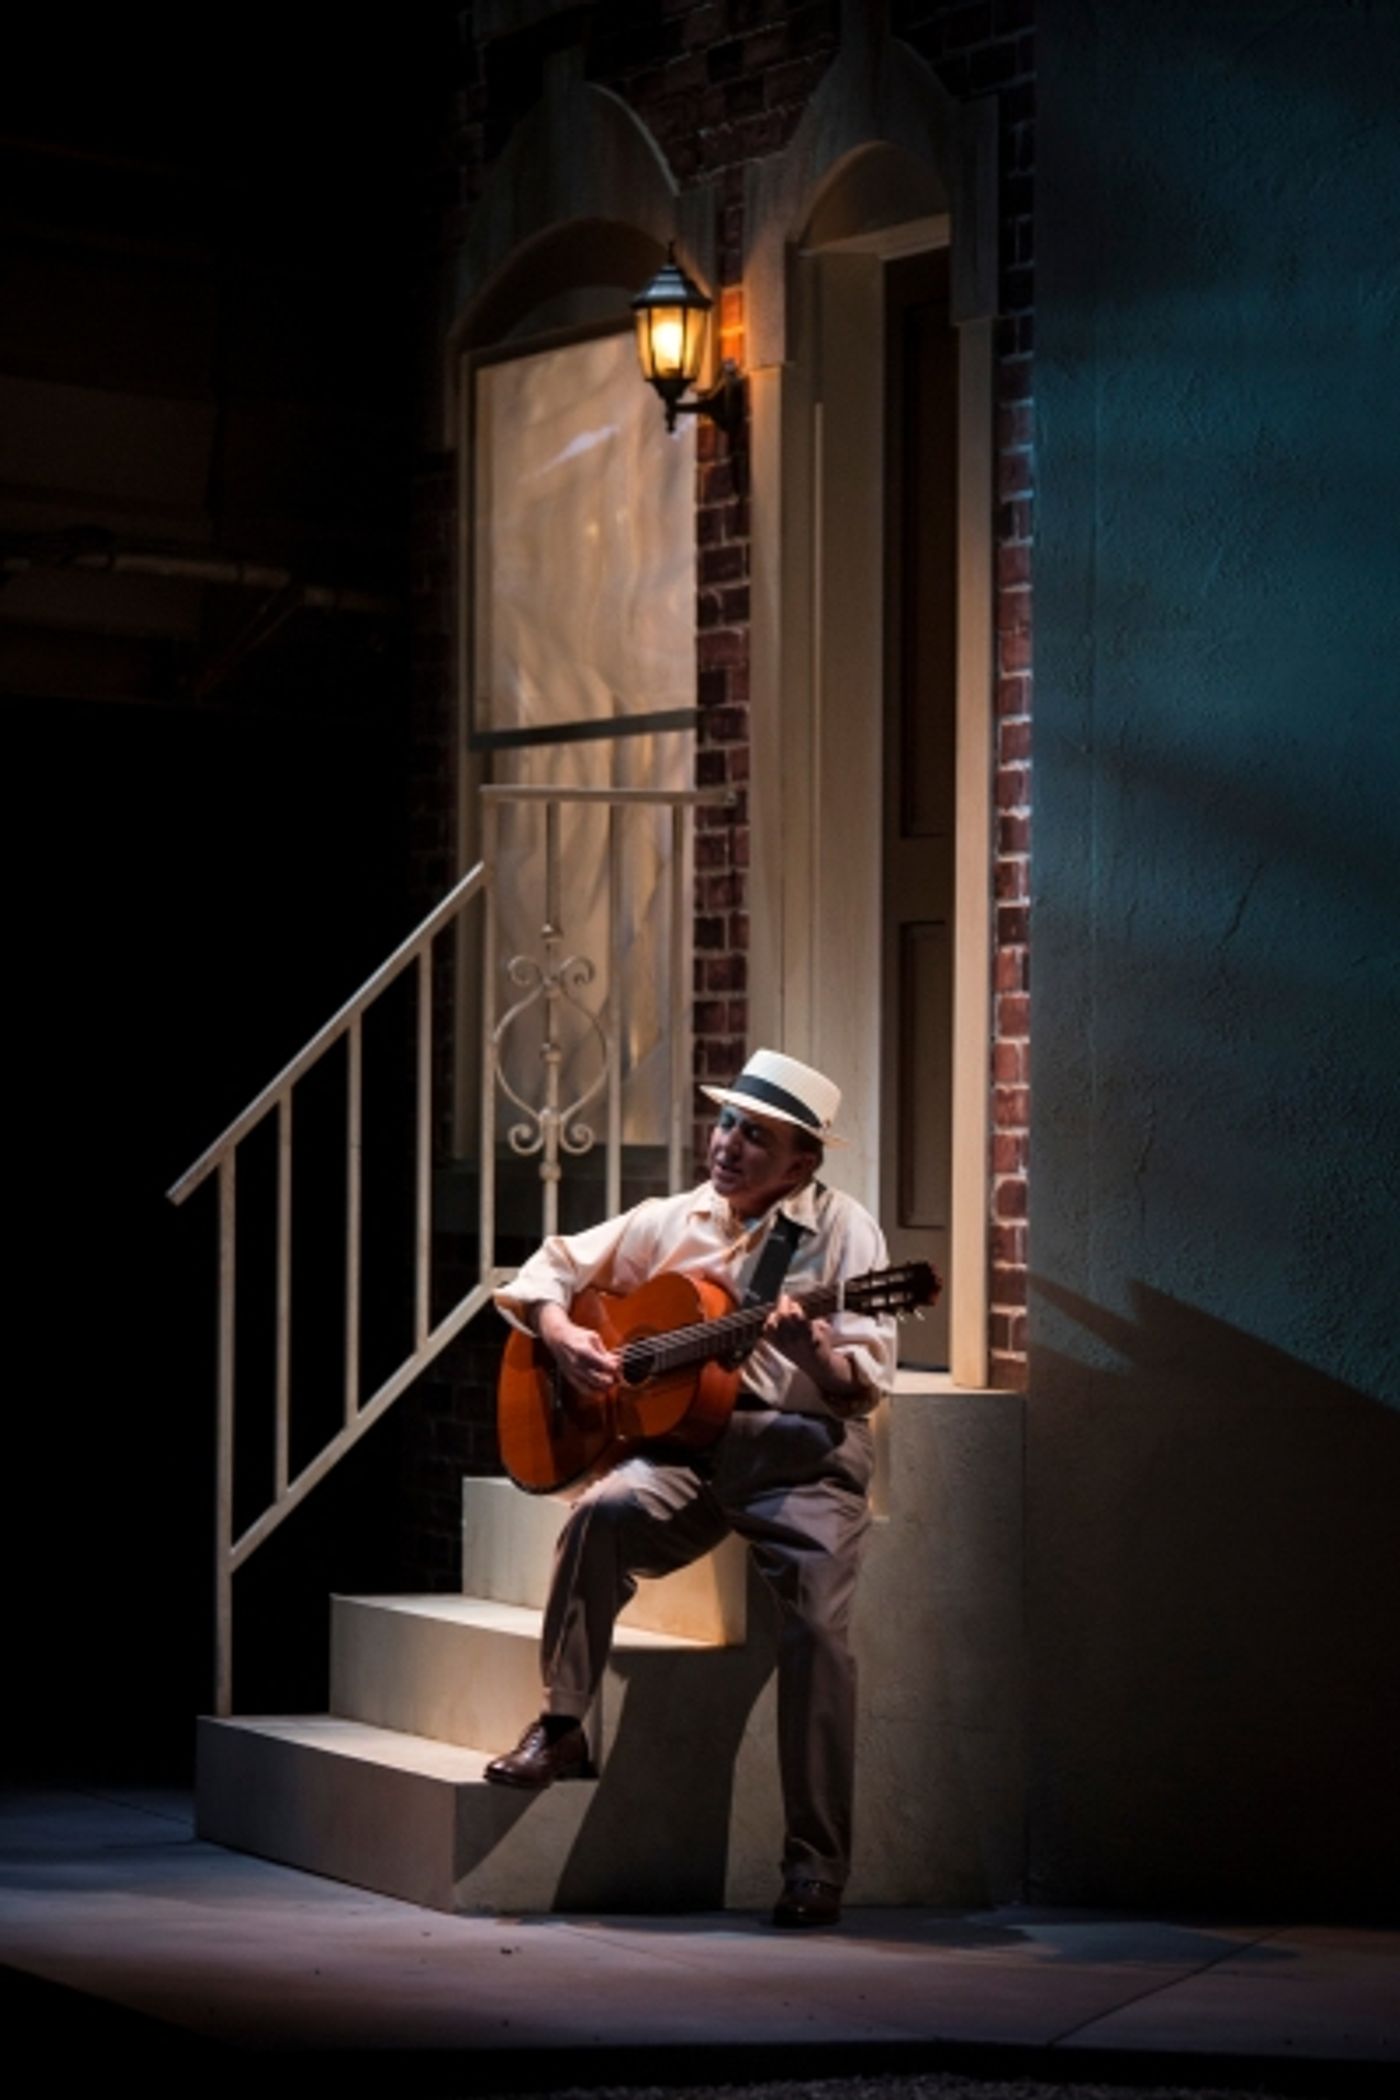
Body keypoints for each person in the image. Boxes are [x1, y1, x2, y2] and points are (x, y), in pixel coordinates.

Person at [487, 1048, 896, 1929]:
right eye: (726, 1124)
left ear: (801, 1163)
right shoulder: (672, 1218)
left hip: (799, 1454)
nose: (728, 1145)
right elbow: (547, 1268)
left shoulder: (846, 1234)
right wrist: (561, 1335)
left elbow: (861, 1387)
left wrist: (813, 1352)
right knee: (598, 1514)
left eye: (756, 1137)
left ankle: (815, 1866)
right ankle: (562, 1725)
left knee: (818, 1630)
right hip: (687, 1452)